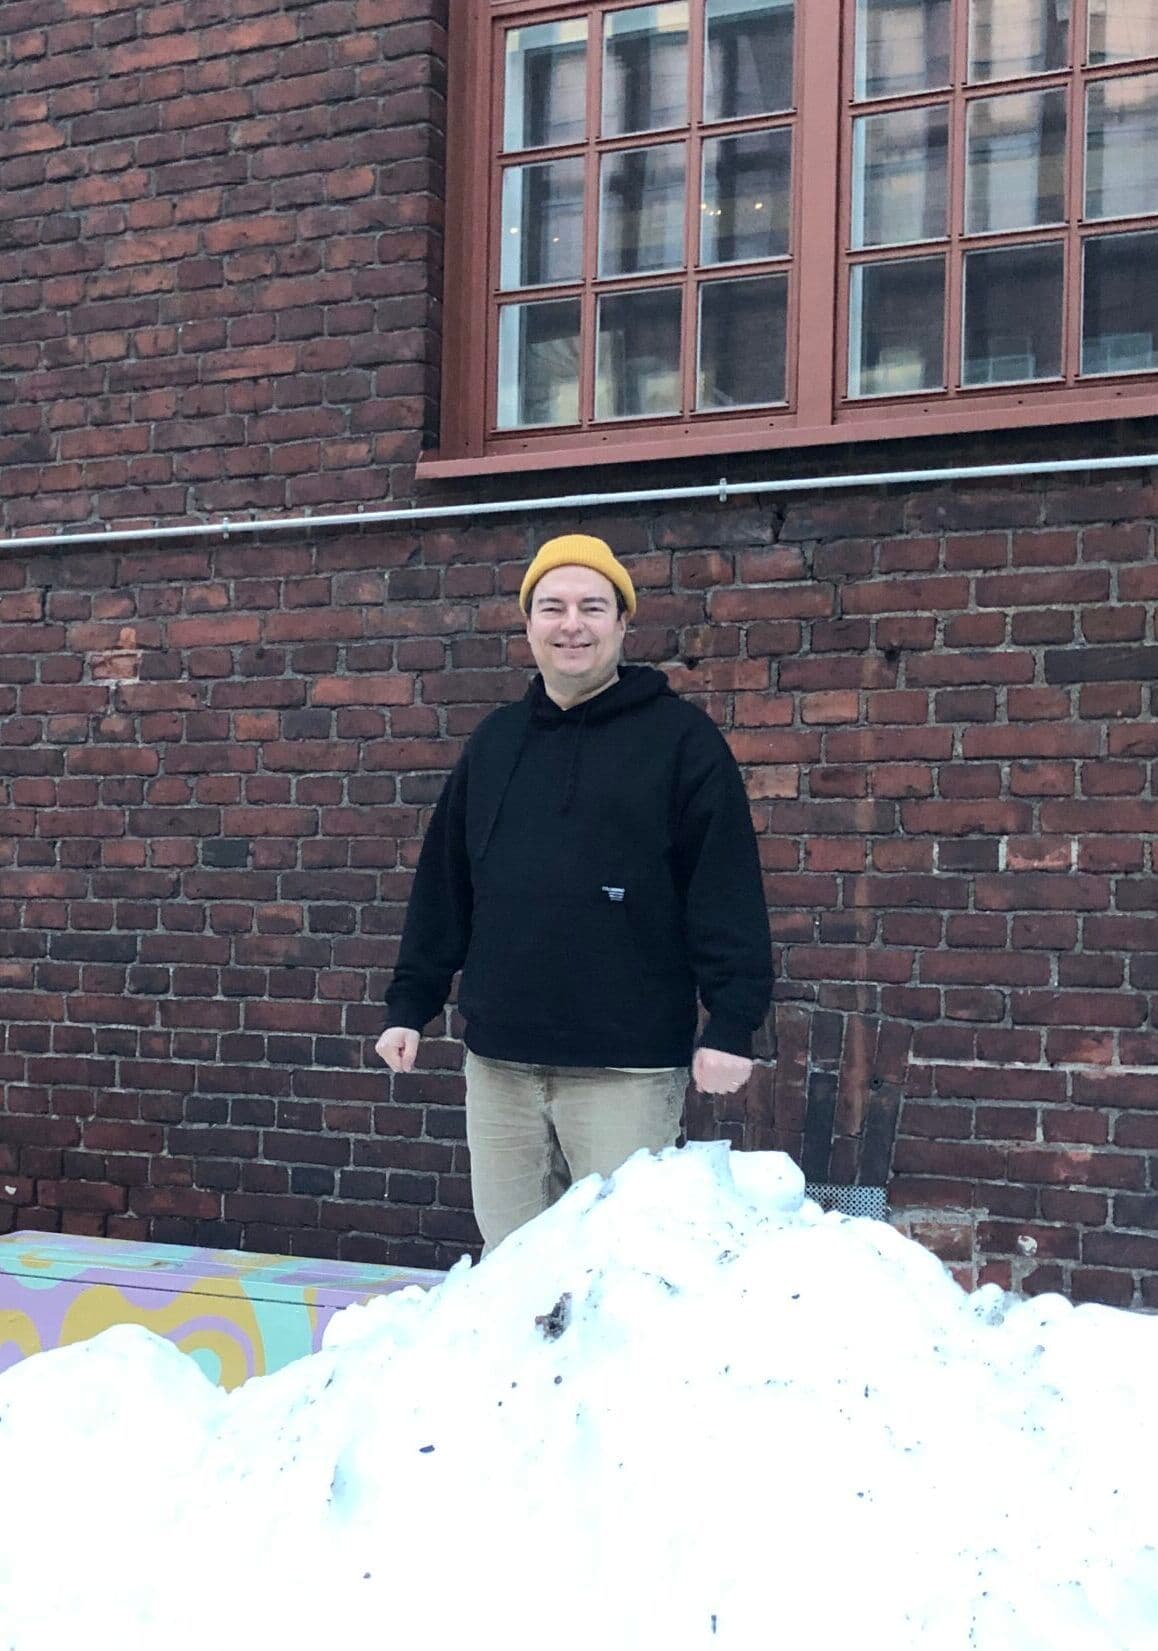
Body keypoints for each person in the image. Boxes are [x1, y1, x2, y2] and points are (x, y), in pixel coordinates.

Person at [376, 533, 773, 1252]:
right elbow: (445, 886)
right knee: (512, 1270)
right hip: (501, 1068)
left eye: (592, 606)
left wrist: (731, 1022)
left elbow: (724, 890)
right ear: (528, 624)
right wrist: (411, 1003)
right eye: (552, 607)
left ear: (622, 623)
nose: (572, 624)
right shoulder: (495, 743)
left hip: (625, 1070)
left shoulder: (681, 742)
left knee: (620, 1273)